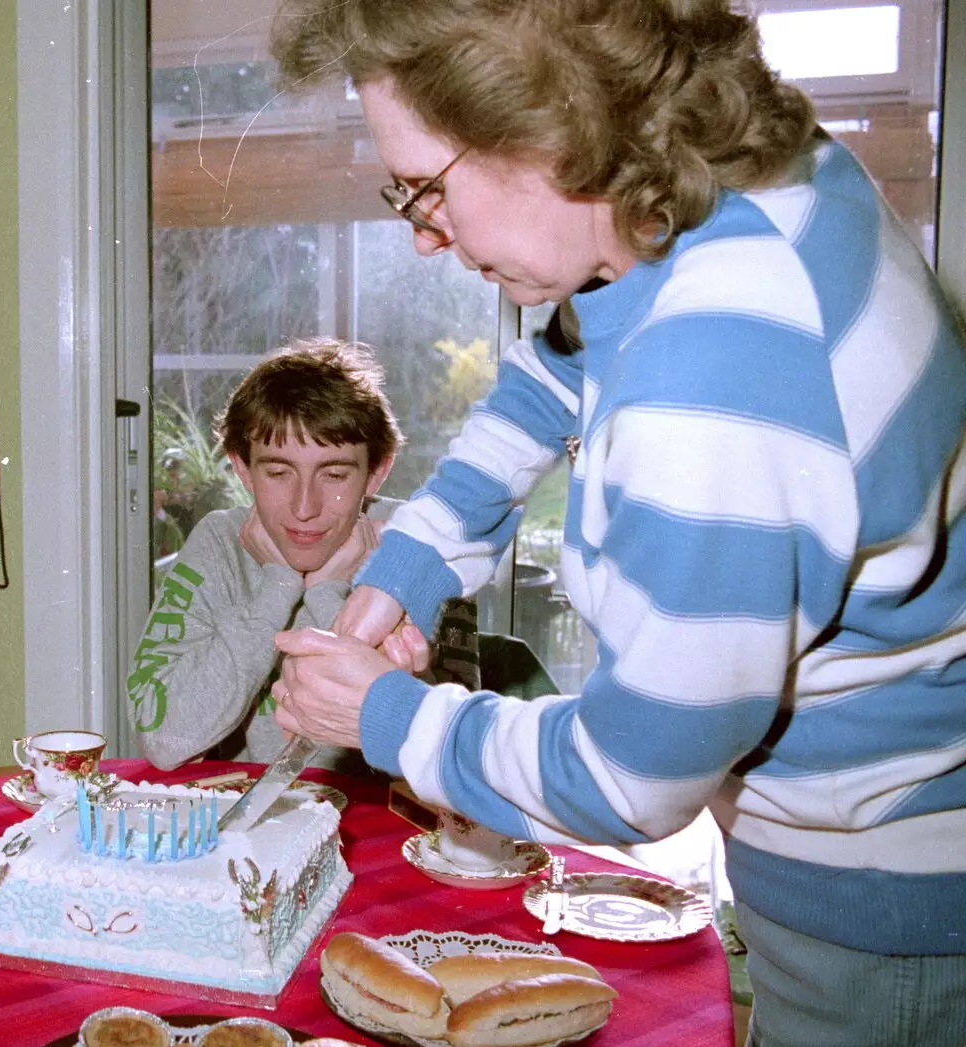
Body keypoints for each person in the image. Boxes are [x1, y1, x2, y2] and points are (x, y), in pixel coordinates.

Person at [266, 3, 966, 1045]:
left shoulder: (713, 369)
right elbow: (553, 377)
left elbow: (631, 775)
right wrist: (408, 568)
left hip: (884, 930)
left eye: (426, 187)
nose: (421, 236)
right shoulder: (737, 186)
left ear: (546, 131)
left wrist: (390, 719)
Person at [128, 338, 492, 772]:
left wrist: (328, 596)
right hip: (251, 828)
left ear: (376, 471)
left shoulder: (425, 553)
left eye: (334, 474)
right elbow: (164, 740)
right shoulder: (220, 542)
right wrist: (276, 587)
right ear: (243, 469)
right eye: (279, 472)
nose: (305, 508)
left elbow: (453, 760)